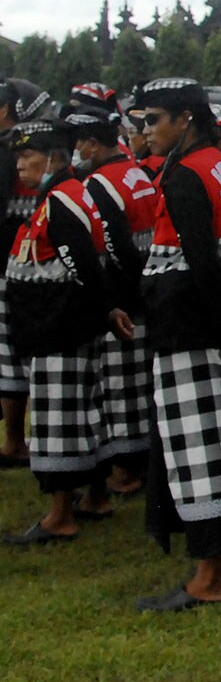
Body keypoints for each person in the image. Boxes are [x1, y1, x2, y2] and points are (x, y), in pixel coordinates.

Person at [134, 78, 221, 612]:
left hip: (190, 327)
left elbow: (201, 263)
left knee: (199, 449)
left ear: (185, 120)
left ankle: (209, 577)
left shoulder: (187, 176)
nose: (146, 131)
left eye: (153, 120)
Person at [2, 118, 131, 545]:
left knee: (60, 419)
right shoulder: (63, 194)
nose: (19, 164)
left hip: (61, 328)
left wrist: (101, 310)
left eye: (27, 155)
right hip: (64, 325)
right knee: (82, 412)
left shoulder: (62, 200)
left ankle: (60, 516)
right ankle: (95, 497)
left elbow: (84, 267)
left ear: (53, 157)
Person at [68, 103, 159, 502]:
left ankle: (125, 471)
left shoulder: (99, 184)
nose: (74, 152)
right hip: (146, 287)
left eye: (76, 144)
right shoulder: (135, 171)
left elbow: (115, 245)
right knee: (139, 381)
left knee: (120, 386)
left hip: (125, 295)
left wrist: (114, 292)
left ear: (91, 144)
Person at [0, 78, 51, 466]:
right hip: (24, 259)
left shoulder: (7, 150)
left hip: (13, 262)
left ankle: (15, 441)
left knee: (11, 358)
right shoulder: (26, 149)